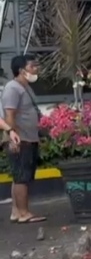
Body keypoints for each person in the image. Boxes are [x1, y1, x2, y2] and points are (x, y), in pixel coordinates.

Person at [4, 55, 41, 223]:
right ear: (22, 71)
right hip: (21, 139)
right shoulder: (13, 88)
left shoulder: (24, 87)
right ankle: (24, 213)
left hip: (29, 138)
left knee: (19, 176)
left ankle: (16, 212)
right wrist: (13, 138)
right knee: (22, 178)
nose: (36, 69)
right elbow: (9, 115)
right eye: (32, 66)